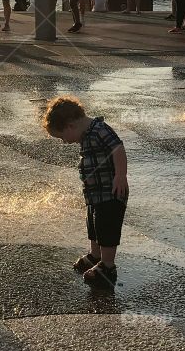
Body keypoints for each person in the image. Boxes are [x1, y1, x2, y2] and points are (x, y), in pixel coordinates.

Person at [43, 95, 128, 287]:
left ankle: (107, 266)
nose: (64, 142)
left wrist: (120, 175)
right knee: (94, 225)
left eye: (62, 137)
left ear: (70, 125)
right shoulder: (86, 134)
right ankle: (95, 255)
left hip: (110, 192)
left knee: (107, 228)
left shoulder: (99, 130)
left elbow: (118, 148)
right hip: (96, 194)